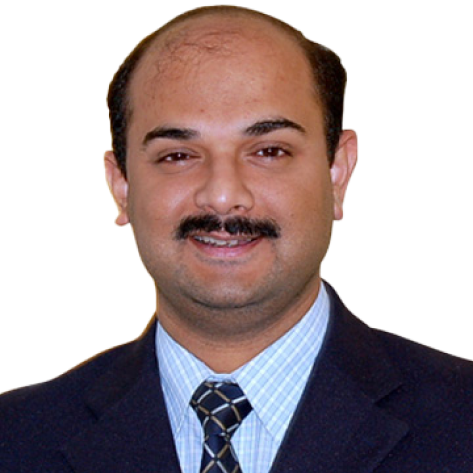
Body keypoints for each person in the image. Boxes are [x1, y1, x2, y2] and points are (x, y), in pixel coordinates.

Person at [1, 5, 472, 473]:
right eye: (178, 155)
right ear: (120, 185)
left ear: (338, 174)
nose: (223, 196)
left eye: (269, 151)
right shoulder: (14, 440)